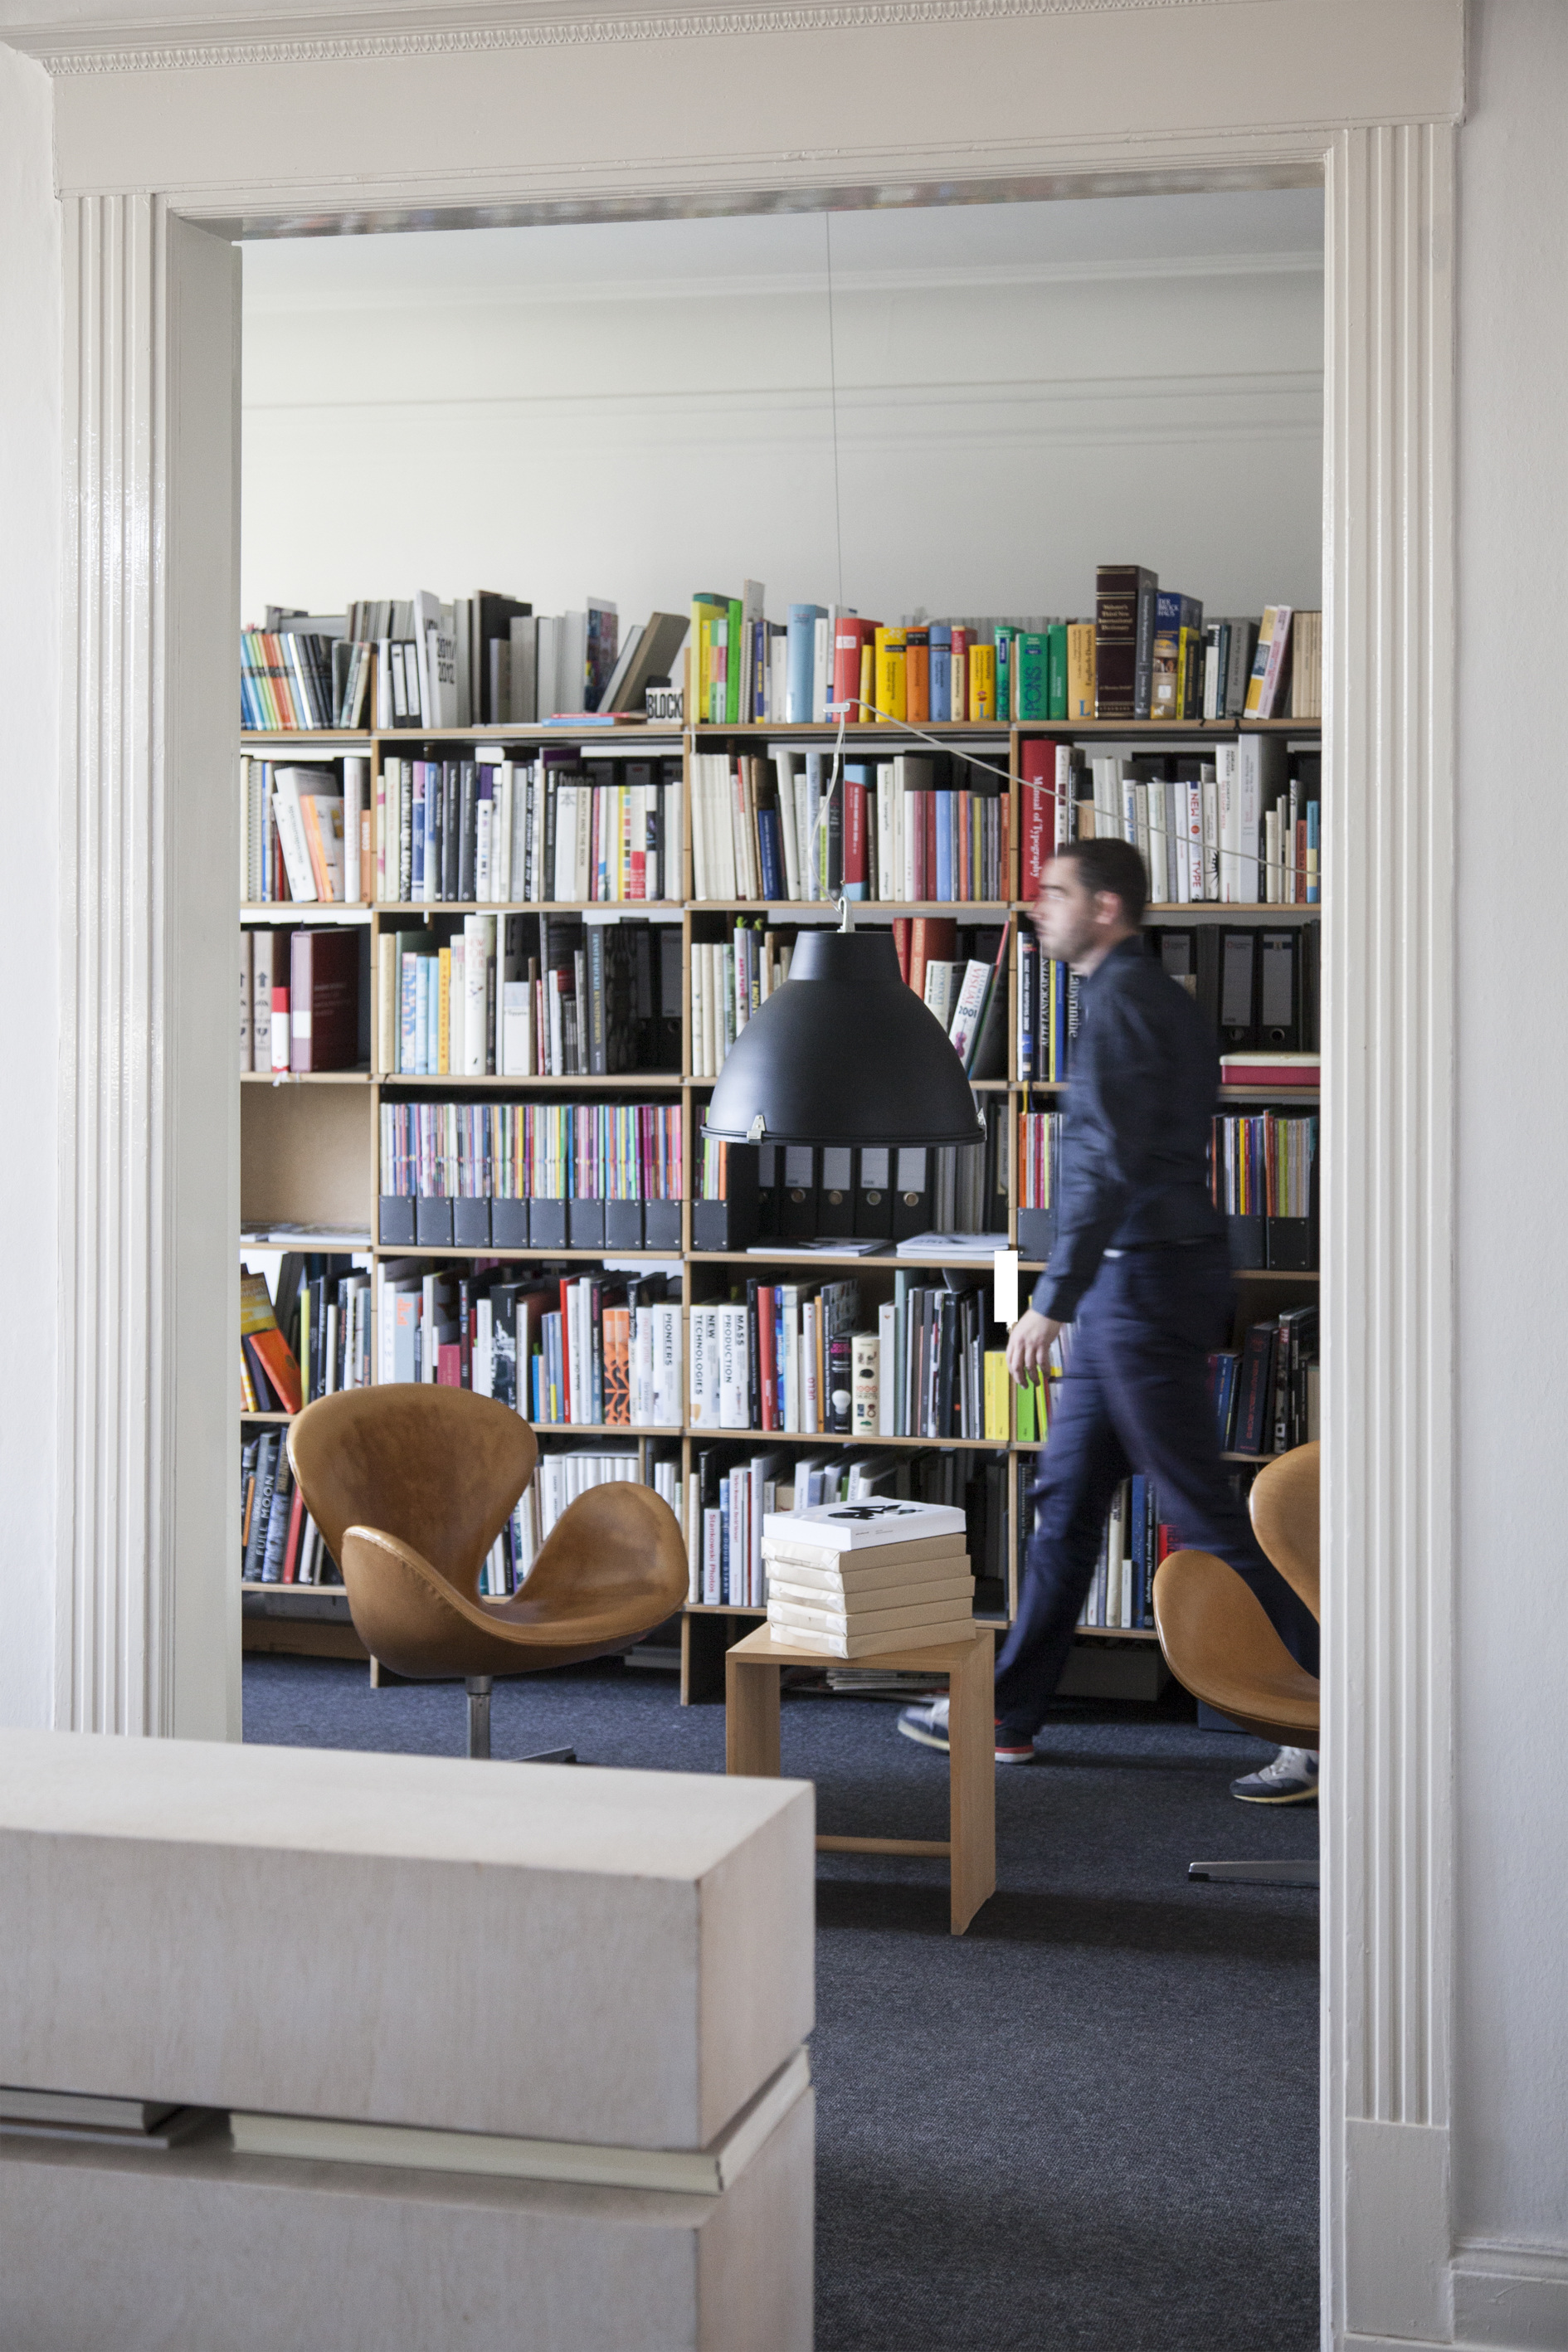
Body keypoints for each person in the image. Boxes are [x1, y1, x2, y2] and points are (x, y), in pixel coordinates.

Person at [898, 836, 1320, 1790]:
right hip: (1136, 1284)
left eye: (1054, 893)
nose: (1037, 908)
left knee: (1204, 1514)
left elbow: (1109, 1167)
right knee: (1068, 1505)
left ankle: (1330, 1717)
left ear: (1105, 908)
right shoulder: (1148, 999)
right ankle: (1007, 1711)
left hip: (1142, 1287)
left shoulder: (1127, 1004)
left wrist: (1050, 1301)